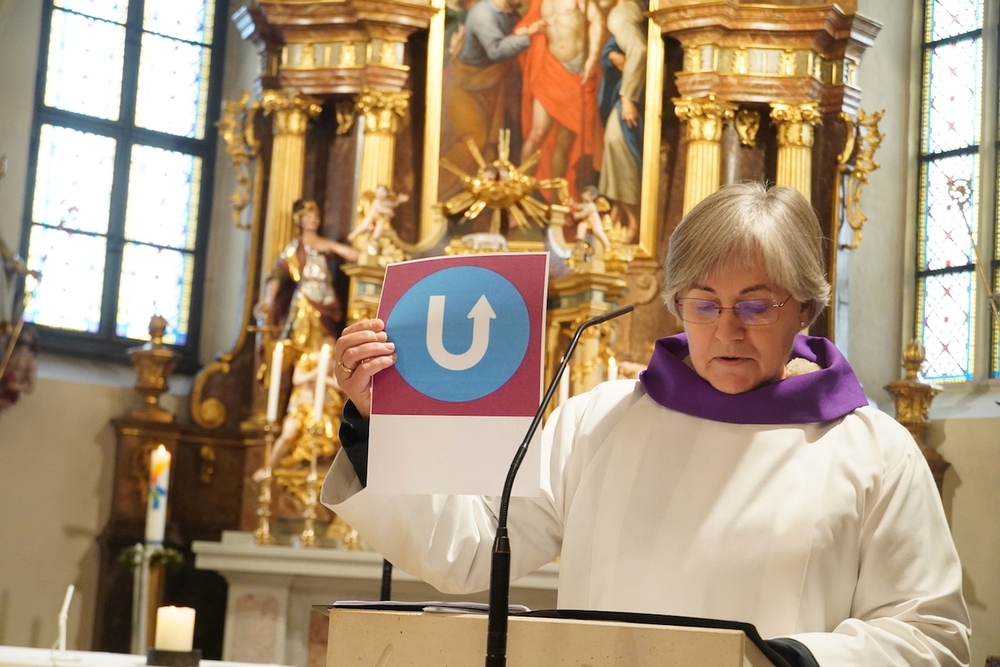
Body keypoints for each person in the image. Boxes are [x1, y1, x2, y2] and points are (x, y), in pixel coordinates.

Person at [321, 183, 970, 666]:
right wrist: (377, 426)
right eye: (705, 304)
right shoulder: (597, 421)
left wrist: (793, 660)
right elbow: (468, 549)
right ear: (676, 303)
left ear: (804, 307)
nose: (727, 330)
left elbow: (929, 635)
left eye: (756, 305)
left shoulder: (873, 449)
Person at [516, 0, 603, 199]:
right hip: (550, 69)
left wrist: (592, 59)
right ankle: (519, 195)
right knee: (537, 133)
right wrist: (530, 29)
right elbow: (522, 30)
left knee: (564, 142)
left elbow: (597, 21)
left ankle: (556, 201)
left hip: (576, 73)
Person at [257, 199, 359, 353]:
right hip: (306, 299)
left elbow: (356, 256)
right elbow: (278, 274)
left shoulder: (325, 244)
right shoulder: (295, 248)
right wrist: (269, 300)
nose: (313, 220)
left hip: (327, 298)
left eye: (315, 216)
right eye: (308, 216)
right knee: (301, 341)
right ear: (300, 220)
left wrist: (332, 246)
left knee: (326, 342)